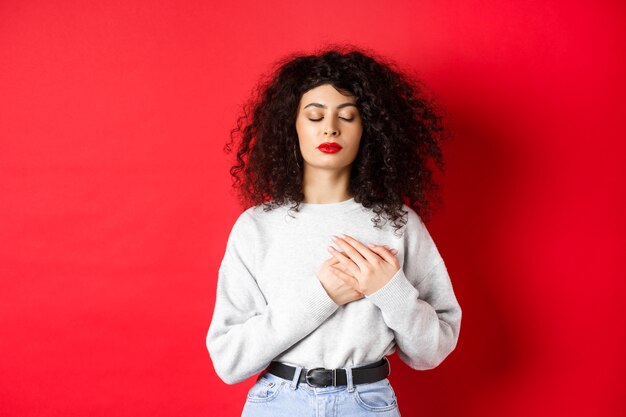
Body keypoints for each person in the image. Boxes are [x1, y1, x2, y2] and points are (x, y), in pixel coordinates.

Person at [206, 44, 462, 417]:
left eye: (348, 116)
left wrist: (389, 290)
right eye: (314, 115)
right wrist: (323, 295)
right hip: (277, 404)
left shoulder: (397, 223)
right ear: (291, 125)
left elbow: (430, 353)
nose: (330, 127)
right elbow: (229, 362)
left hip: (367, 403)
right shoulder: (256, 227)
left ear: (368, 129)